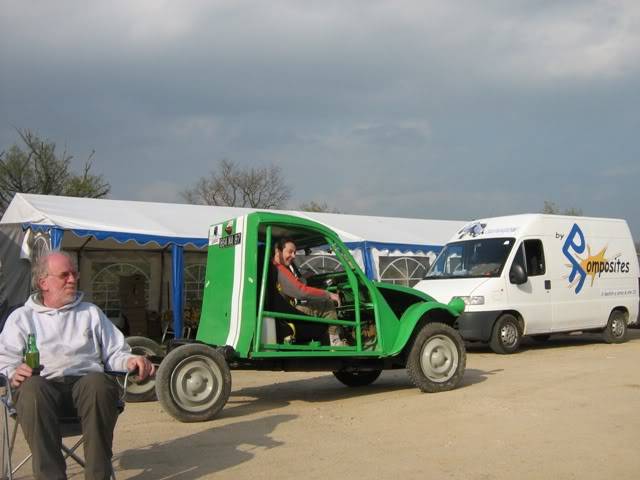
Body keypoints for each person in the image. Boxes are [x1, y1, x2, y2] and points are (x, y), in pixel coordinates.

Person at [0, 251, 155, 480]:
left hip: (87, 394)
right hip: (41, 397)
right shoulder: (22, 318)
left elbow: (115, 352)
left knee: (98, 382)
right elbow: (4, 359)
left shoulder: (90, 313)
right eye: (65, 275)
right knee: (32, 388)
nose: (73, 279)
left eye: (74, 274)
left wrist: (129, 360)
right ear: (44, 282)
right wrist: (13, 372)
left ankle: (98, 477)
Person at [272, 238, 347, 346]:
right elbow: (301, 292)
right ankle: (334, 340)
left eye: (295, 253)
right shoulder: (279, 268)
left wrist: (304, 279)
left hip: (283, 313)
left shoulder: (275, 267)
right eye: (290, 252)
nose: (293, 256)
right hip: (288, 315)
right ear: (277, 251)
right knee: (327, 304)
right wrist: (328, 294)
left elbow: (292, 286)